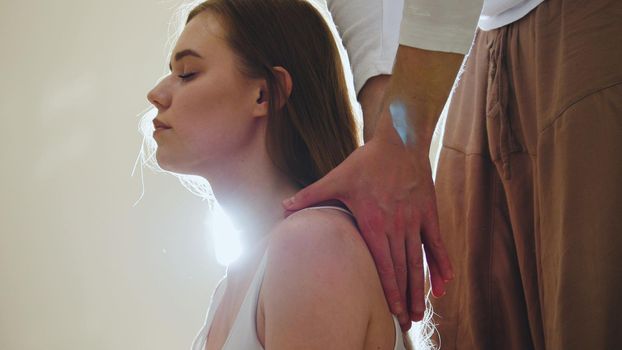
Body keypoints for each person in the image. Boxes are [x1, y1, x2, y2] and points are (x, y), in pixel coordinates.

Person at [286, 0, 622, 348]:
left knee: (592, 307)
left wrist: (402, 138)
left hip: (586, 26)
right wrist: (384, 134)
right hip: (477, 35)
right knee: (467, 323)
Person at [145, 0, 416, 348]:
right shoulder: (233, 284)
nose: (155, 95)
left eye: (186, 73)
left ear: (264, 94)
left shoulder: (312, 245)